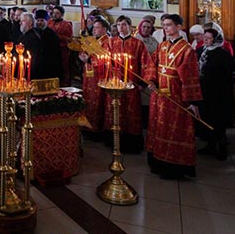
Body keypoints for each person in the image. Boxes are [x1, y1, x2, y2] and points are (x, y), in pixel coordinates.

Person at [145, 14, 202, 180]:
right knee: (158, 128)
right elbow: (152, 64)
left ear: (178, 27)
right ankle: (157, 162)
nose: (165, 28)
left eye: (169, 25)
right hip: (159, 97)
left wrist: (192, 101)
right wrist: (151, 80)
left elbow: (190, 77)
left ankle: (173, 168)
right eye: (164, 25)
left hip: (176, 98)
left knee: (174, 131)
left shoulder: (187, 50)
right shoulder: (162, 46)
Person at [104, 15, 155, 153]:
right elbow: (105, 63)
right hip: (114, 84)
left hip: (132, 84)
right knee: (115, 110)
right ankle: (114, 142)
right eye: (118, 25)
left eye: (124, 24)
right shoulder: (111, 42)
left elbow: (146, 64)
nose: (121, 27)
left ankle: (131, 144)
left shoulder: (138, 44)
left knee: (131, 111)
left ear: (130, 27)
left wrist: (143, 83)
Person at [196, 28, 235, 161]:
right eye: (205, 37)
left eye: (209, 38)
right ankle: (210, 145)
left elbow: (228, 75)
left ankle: (222, 148)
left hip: (218, 94)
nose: (205, 40)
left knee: (218, 121)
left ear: (215, 39)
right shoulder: (201, 51)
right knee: (206, 119)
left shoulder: (222, 54)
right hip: (203, 92)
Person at [79, 16, 111, 137]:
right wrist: (82, 56)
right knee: (88, 99)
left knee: (97, 102)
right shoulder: (94, 40)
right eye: (94, 27)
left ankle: (96, 129)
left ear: (105, 29)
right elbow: (86, 52)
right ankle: (87, 126)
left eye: (97, 27)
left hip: (99, 76)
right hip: (89, 76)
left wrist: (88, 60)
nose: (94, 30)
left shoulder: (107, 42)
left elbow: (106, 59)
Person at [19, 10, 63, 80]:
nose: (39, 22)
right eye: (38, 20)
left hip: (48, 65)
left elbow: (56, 53)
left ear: (46, 21)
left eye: (42, 20)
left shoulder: (51, 35)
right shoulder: (33, 32)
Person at [48, 6, 74, 86]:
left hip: (62, 50)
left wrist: (56, 36)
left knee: (63, 67)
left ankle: (64, 84)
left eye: (57, 13)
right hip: (51, 50)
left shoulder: (67, 25)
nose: (54, 15)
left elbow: (69, 39)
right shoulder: (49, 22)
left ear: (62, 14)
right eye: (53, 13)